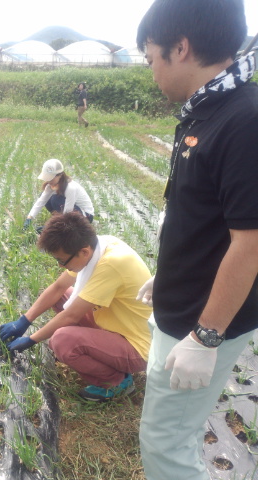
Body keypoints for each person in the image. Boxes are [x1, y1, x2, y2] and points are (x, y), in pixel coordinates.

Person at [134, 1, 258, 479]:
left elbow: (250, 241)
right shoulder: (203, 112)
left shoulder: (243, 120)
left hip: (200, 322)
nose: (151, 73)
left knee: (166, 447)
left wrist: (206, 337)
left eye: (150, 59)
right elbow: (202, 219)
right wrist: (166, 275)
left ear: (180, 48)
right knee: (167, 434)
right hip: (180, 306)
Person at [1, 212, 152, 401]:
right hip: (114, 325)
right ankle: (107, 359)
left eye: (62, 261)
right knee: (63, 297)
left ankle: (116, 382)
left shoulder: (111, 263)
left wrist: (31, 339)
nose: (60, 266)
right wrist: (25, 320)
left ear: (84, 252)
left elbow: (71, 316)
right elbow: (58, 288)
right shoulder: (97, 247)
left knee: (62, 341)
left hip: (137, 346)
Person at [23, 158, 94, 231]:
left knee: (55, 199)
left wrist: (51, 228)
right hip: (72, 213)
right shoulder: (50, 186)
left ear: (60, 175)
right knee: (45, 197)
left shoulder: (70, 188)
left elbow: (68, 212)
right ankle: (60, 221)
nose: (48, 181)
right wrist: (29, 218)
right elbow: (40, 202)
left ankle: (64, 225)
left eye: (51, 178)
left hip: (85, 217)